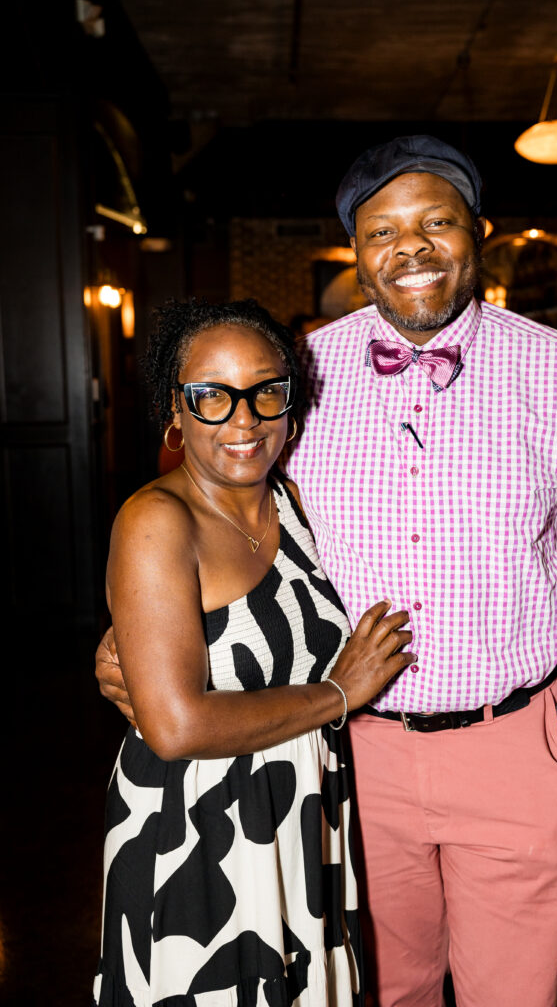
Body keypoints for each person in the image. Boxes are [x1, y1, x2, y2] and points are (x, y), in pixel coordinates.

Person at [98, 137, 557, 1007]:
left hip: (517, 747)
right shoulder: (297, 371)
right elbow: (229, 512)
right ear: (356, 252)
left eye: (436, 222)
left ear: (478, 233)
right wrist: (143, 621)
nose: (411, 247)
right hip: (347, 757)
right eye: (382, 230)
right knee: (381, 993)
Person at [92, 298, 416, 1006]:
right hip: (196, 835)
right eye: (211, 395)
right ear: (175, 409)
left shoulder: (295, 503)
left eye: (265, 391)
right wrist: (339, 693)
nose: (244, 419)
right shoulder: (155, 522)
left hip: (300, 813)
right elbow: (175, 728)